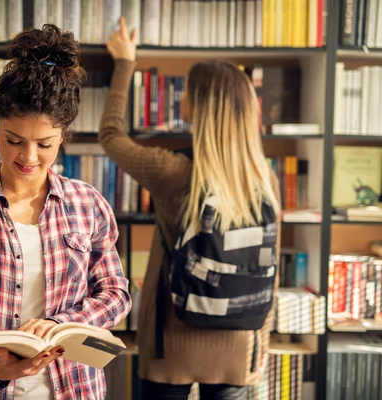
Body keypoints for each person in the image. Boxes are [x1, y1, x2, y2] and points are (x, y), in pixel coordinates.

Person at [0, 24, 132, 400]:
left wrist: (61, 323)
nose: (28, 156)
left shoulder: (88, 204)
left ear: (63, 136)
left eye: (45, 143)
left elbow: (115, 294)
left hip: (75, 388)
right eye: (14, 140)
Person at [99, 17, 281, 400]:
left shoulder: (174, 172)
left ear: (198, 104)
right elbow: (270, 267)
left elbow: (111, 136)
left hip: (171, 340)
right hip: (240, 341)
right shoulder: (264, 177)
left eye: (188, 91)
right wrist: (260, 345)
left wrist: (125, 63)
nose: (181, 96)